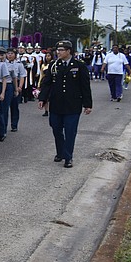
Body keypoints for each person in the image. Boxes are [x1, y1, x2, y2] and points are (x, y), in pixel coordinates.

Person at [38, 40, 93, 168]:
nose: (58, 52)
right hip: (56, 104)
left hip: (73, 105)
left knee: (70, 131)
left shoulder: (79, 66)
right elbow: (47, 84)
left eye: (62, 50)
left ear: (69, 51)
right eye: (58, 50)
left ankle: (68, 157)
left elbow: (85, 86)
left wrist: (88, 104)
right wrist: (42, 99)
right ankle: (60, 152)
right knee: (56, 128)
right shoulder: (53, 65)